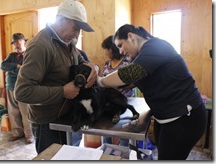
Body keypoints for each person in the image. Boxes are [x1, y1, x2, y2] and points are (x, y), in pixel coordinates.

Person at [97, 24, 206, 160]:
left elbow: (129, 74)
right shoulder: (142, 57)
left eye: (120, 45)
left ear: (131, 37)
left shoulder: (156, 46)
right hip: (166, 118)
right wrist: (149, 113)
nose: (120, 51)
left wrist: (99, 81)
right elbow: (160, 89)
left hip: (185, 118)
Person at [14, 0, 97, 154]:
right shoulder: (40, 45)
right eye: (75, 28)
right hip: (47, 124)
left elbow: (81, 60)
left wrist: (93, 67)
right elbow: (22, 92)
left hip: (65, 118)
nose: (77, 34)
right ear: (61, 20)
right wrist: (62, 91)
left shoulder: (67, 42)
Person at [101, 35, 135, 146]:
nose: (105, 52)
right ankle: (106, 154)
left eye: (106, 49)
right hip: (109, 103)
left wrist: (120, 86)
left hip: (125, 102)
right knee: (105, 131)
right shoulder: (107, 64)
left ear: (112, 49)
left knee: (124, 132)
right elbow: (103, 79)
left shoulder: (127, 62)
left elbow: (135, 82)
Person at [1, 33, 34, 144]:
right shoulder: (12, 55)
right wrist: (16, 66)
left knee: (26, 112)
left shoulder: (29, 54)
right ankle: (17, 134)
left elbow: (26, 70)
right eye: (14, 43)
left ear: (24, 42)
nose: (16, 45)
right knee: (13, 111)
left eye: (18, 42)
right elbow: (3, 66)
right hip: (10, 87)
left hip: (23, 87)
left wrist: (12, 71)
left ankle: (29, 135)